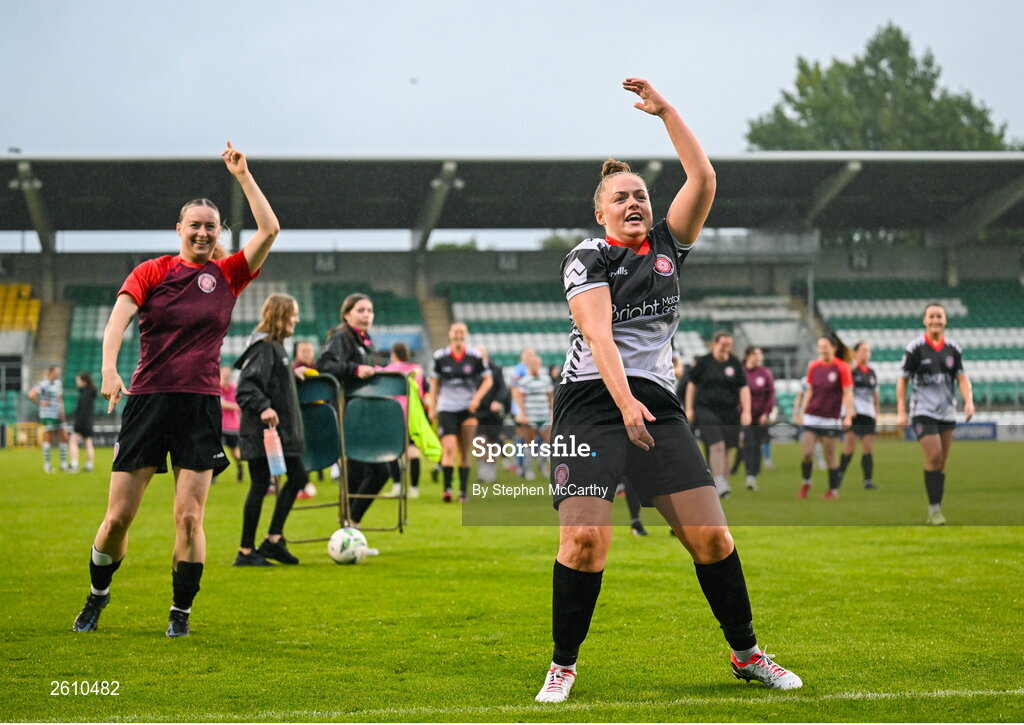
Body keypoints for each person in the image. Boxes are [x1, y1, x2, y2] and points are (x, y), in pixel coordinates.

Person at [536, 78, 801, 704]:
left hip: (655, 405)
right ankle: (563, 666)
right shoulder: (586, 258)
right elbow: (599, 336)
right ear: (600, 213)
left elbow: (703, 179)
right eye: (621, 198)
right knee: (584, 541)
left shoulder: (666, 248)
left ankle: (747, 654)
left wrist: (667, 114)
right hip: (591, 407)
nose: (635, 203)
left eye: (642, 196)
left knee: (711, 538)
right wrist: (624, 403)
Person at [72, 142, 279, 637]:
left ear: (218, 233)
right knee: (118, 518)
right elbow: (118, 320)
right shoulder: (153, 271)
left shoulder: (228, 275)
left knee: (189, 518)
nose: (204, 232)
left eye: (212, 226)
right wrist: (109, 369)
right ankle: (97, 596)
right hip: (147, 401)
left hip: (200, 406)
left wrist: (244, 176)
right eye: (196, 225)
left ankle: (180, 614)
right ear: (180, 230)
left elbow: (270, 230)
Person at [234, 294, 307, 566]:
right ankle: (250, 549)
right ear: (280, 315)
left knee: (284, 480)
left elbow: (269, 380)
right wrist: (263, 406)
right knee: (275, 481)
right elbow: (246, 387)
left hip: (275, 434)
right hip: (264, 433)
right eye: (292, 314)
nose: (296, 319)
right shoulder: (265, 346)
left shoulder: (274, 346)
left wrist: (291, 376)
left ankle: (269, 541)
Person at [315, 293, 390, 526]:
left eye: (370, 310)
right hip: (350, 413)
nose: (367, 315)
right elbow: (324, 365)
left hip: (367, 414)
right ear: (347, 315)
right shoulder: (341, 337)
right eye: (361, 310)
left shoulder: (366, 341)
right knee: (375, 472)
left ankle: (349, 526)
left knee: (366, 473)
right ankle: (350, 525)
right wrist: (354, 369)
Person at [896, 303, 974, 525]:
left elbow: (961, 377)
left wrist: (969, 401)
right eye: (931, 316)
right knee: (934, 455)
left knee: (942, 463)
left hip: (947, 412)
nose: (935, 320)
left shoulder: (953, 349)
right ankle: (933, 509)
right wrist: (901, 411)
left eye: (939, 316)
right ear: (925, 320)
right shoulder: (915, 348)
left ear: (945, 320)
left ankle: (936, 510)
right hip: (922, 411)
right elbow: (902, 381)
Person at [428, 321, 492, 502]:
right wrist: (432, 407)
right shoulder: (440, 356)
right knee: (448, 448)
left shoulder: (475, 356)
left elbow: (488, 380)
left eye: (461, 332)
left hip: (467, 408)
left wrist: (477, 398)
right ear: (450, 334)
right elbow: (434, 384)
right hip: (447, 407)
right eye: (455, 332)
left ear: (466, 334)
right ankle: (447, 489)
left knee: (465, 450)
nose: (458, 335)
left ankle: (463, 493)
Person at [685, 332, 751, 498]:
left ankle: (723, 483)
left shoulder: (734, 363)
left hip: (729, 412)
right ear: (715, 343)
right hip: (706, 409)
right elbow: (691, 385)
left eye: (729, 345)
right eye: (723, 344)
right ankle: (719, 481)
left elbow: (743, 388)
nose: (726, 348)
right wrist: (689, 409)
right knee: (717, 444)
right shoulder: (704, 362)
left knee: (728, 447)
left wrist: (747, 411)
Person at [794, 335, 854, 500]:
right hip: (812, 415)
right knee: (807, 453)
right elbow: (810, 391)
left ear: (833, 348)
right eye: (820, 346)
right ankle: (806, 482)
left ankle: (833, 491)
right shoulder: (814, 366)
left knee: (830, 455)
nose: (822, 349)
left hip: (830, 417)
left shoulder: (842, 367)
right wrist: (801, 412)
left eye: (825, 346)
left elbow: (848, 393)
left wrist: (848, 415)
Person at [383, 341, 428, 498]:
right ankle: (414, 489)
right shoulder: (417, 370)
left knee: (393, 452)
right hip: (413, 415)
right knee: (413, 452)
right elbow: (425, 393)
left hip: (393, 414)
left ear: (393, 354)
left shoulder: (388, 370)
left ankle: (397, 486)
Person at [839, 342, 880, 490]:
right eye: (863, 350)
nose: (866, 353)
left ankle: (867, 481)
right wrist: (848, 411)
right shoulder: (850, 369)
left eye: (868, 351)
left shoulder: (872, 372)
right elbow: (844, 390)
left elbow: (875, 394)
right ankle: (838, 476)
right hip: (853, 413)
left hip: (868, 414)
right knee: (849, 447)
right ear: (855, 353)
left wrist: (877, 413)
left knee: (868, 448)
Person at [512, 352, 554, 480]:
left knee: (548, 443)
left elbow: (550, 396)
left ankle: (542, 465)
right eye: (533, 364)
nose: (536, 366)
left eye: (538, 364)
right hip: (530, 416)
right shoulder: (524, 381)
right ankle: (527, 469)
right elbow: (519, 397)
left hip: (544, 415)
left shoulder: (546, 379)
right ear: (529, 366)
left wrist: (552, 411)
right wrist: (523, 413)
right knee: (529, 444)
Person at [472, 345, 509, 485]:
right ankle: (482, 470)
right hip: (478, 411)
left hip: (493, 412)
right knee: (480, 441)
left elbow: (502, 388)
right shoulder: (472, 370)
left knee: (493, 443)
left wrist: (498, 401)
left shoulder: (496, 369)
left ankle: (491, 470)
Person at [741, 347, 776, 491]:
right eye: (756, 354)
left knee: (758, 445)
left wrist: (766, 413)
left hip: (760, 417)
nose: (759, 357)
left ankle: (754, 473)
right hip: (744, 416)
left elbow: (771, 394)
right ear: (748, 355)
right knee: (748, 444)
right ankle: (749, 475)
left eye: (760, 354)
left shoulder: (765, 373)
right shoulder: (741, 372)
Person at [292, 340, 321, 496]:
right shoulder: (292, 371)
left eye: (309, 350)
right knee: (301, 450)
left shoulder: (318, 370)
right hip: (299, 417)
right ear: (296, 353)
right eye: (303, 350)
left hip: (317, 416)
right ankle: (303, 484)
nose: (306, 353)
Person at [28, 365, 70, 473]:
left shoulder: (58, 383)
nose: (59, 373)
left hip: (58, 414)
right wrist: (41, 403)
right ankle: (47, 465)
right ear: (51, 372)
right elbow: (31, 394)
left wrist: (63, 414)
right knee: (49, 438)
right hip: (48, 414)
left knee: (64, 437)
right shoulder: (44, 383)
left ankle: (63, 464)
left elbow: (60, 400)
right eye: (57, 372)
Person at [218, 366, 244, 483]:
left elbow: (240, 404)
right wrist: (234, 406)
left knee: (234, 451)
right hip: (219, 425)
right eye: (224, 375)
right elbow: (220, 404)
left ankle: (240, 466)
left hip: (232, 426)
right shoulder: (217, 389)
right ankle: (213, 476)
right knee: (216, 451)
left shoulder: (235, 389)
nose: (226, 377)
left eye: (228, 375)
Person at [69, 372, 98, 473]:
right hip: (89, 421)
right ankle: (89, 465)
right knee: (88, 443)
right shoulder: (91, 392)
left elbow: (82, 409)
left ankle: (74, 464)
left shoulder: (84, 393)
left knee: (73, 441)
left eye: (78, 380)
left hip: (82, 422)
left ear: (84, 381)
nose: (77, 382)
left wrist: (77, 423)